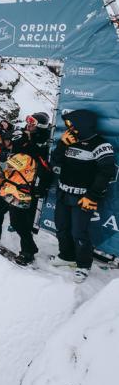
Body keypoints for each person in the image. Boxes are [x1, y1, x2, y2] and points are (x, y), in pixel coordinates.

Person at [49, 109, 116, 283]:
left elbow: (107, 172)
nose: (69, 130)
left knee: (79, 232)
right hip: (64, 193)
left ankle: (83, 265)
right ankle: (66, 256)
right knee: (62, 227)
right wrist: (62, 145)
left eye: (72, 126)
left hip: (83, 198)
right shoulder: (69, 141)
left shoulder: (101, 145)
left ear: (83, 126)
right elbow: (55, 162)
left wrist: (92, 196)